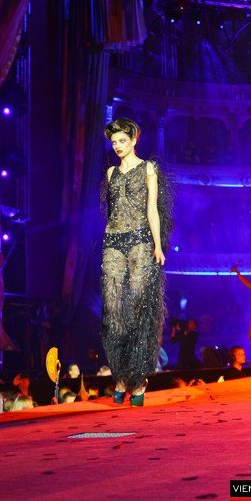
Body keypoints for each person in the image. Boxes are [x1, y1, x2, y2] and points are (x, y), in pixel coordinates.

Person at [101, 118, 173, 406]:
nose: (117, 146)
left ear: (134, 140)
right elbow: (113, 211)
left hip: (141, 240)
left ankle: (138, 378)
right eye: (114, 142)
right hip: (113, 240)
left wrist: (158, 245)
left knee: (140, 307)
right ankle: (121, 376)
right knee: (114, 309)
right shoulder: (111, 172)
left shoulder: (148, 168)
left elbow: (152, 209)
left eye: (122, 141)